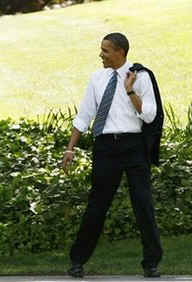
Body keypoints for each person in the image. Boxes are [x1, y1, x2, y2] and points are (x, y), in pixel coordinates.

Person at [62, 32, 163, 278]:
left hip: (133, 145)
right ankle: (77, 261)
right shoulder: (97, 78)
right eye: (102, 49)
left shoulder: (141, 76)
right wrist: (70, 148)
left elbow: (149, 115)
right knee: (97, 205)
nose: (101, 54)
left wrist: (130, 91)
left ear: (120, 52)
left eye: (106, 50)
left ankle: (151, 263)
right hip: (106, 147)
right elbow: (84, 115)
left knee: (142, 203)